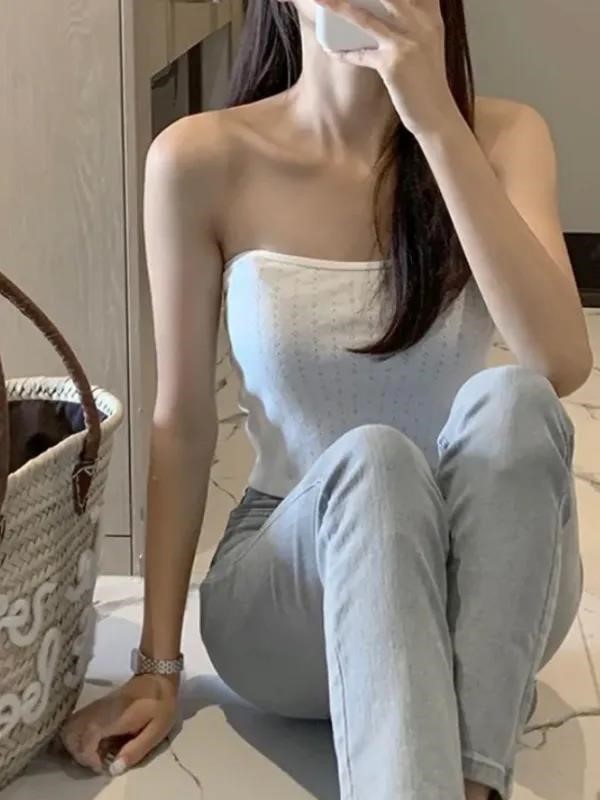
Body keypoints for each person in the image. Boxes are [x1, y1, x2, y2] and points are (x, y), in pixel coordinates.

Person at [61, 0, 592, 797]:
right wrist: (156, 668)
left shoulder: (503, 137)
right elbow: (183, 421)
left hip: (485, 592)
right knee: (377, 461)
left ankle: (467, 783)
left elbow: (560, 360)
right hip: (292, 590)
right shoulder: (202, 158)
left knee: (515, 399)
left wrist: (436, 124)